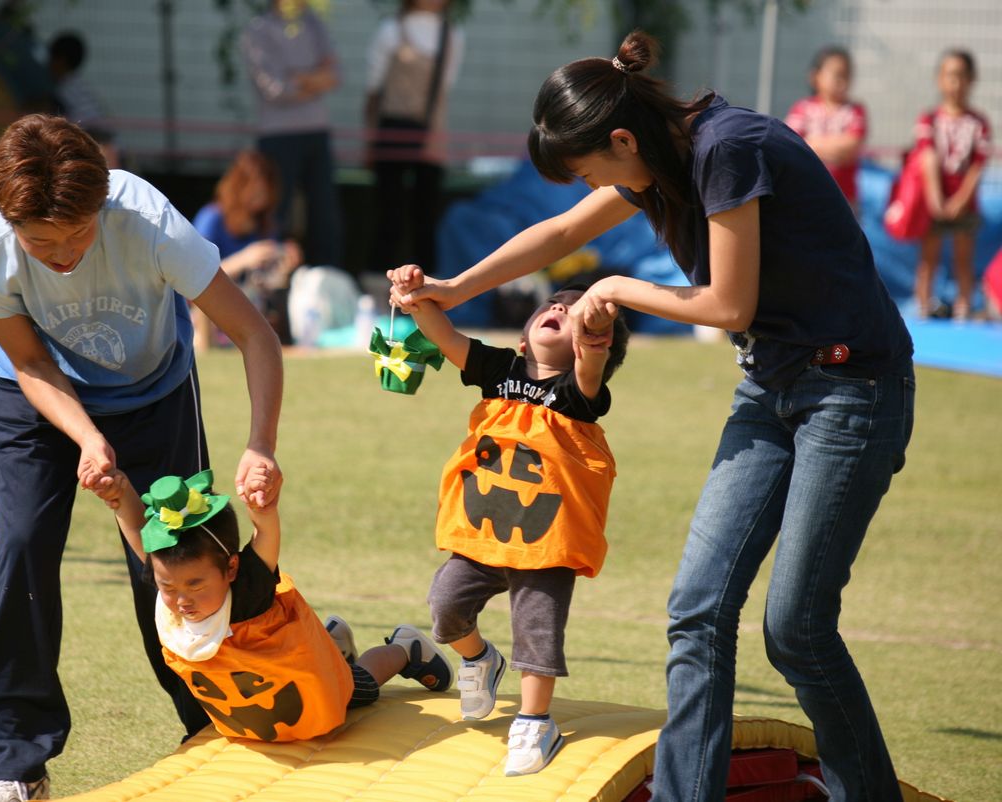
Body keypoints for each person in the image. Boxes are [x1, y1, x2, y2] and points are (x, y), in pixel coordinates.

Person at [391, 30, 915, 802]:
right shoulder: (654, 162)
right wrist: (452, 286)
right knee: (697, 611)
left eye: (587, 170)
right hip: (768, 389)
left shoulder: (728, 149)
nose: (587, 188)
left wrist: (616, 289)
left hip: (852, 391)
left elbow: (726, 304)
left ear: (622, 139)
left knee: (795, 629)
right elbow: (561, 234)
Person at [0, 114, 285, 802]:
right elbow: (29, 359)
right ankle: (12, 763)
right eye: (41, 244)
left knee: (177, 564)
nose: (63, 256)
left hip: (153, 395)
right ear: (8, 222)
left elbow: (253, 333)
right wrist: (87, 438)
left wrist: (261, 443)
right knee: (25, 546)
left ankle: (221, 723)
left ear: (103, 206)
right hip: (33, 399)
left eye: (78, 235)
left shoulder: (150, 222)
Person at [392, 270, 629, 776]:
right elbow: (445, 337)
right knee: (445, 606)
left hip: (547, 538)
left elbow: (591, 363)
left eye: (576, 313)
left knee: (537, 633)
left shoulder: (579, 395)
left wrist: (596, 329)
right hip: (484, 530)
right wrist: (414, 297)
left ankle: (534, 721)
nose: (563, 310)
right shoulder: (501, 370)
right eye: (557, 305)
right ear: (524, 336)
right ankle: (479, 659)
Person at [85, 466, 454, 741]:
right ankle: (332, 643)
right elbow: (140, 539)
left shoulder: (248, 589)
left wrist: (262, 507)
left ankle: (404, 648)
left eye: (196, 586)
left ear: (231, 568)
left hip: (291, 678)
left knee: (357, 689)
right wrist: (121, 498)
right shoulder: (170, 584)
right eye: (169, 587)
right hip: (257, 692)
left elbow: (266, 537)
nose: (181, 600)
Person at [242, 0, 343, 269]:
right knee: (275, 212)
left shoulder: (314, 23)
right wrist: (314, 80)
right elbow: (274, 89)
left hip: (316, 132)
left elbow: (335, 75)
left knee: (325, 214)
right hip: (277, 136)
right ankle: (267, 281)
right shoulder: (258, 30)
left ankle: (328, 276)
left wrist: (296, 78)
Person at [365, 0, 465, 271]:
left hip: (432, 132)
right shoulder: (391, 30)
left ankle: (427, 288)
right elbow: (373, 89)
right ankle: (379, 282)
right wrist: (370, 139)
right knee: (389, 215)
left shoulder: (452, 35)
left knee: (426, 217)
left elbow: (446, 84)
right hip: (392, 129)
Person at [191, 150, 303, 347]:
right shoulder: (212, 218)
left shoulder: (265, 224)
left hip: (252, 310)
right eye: (255, 192)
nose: (259, 201)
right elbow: (192, 275)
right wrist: (245, 259)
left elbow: (266, 282)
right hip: (208, 313)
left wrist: (284, 261)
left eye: (265, 194)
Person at [912, 48, 991, 321]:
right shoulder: (929, 119)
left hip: (964, 204)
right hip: (933, 201)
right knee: (928, 259)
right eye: (949, 76)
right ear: (939, 79)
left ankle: (962, 309)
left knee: (963, 259)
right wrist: (936, 199)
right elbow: (926, 158)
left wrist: (959, 200)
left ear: (971, 80)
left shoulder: (978, 123)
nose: (955, 83)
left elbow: (978, 165)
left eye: (961, 76)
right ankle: (922, 308)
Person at [783, 46, 866, 209]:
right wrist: (835, 150)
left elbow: (852, 146)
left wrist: (811, 144)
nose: (842, 81)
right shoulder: (802, 108)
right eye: (837, 74)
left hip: (845, 199)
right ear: (816, 76)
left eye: (847, 75)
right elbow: (790, 145)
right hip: (805, 195)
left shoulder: (855, 110)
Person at [47, 31, 120, 168]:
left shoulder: (65, 89)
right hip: (106, 143)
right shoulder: (78, 85)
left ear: (61, 60)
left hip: (98, 145)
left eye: (51, 59)